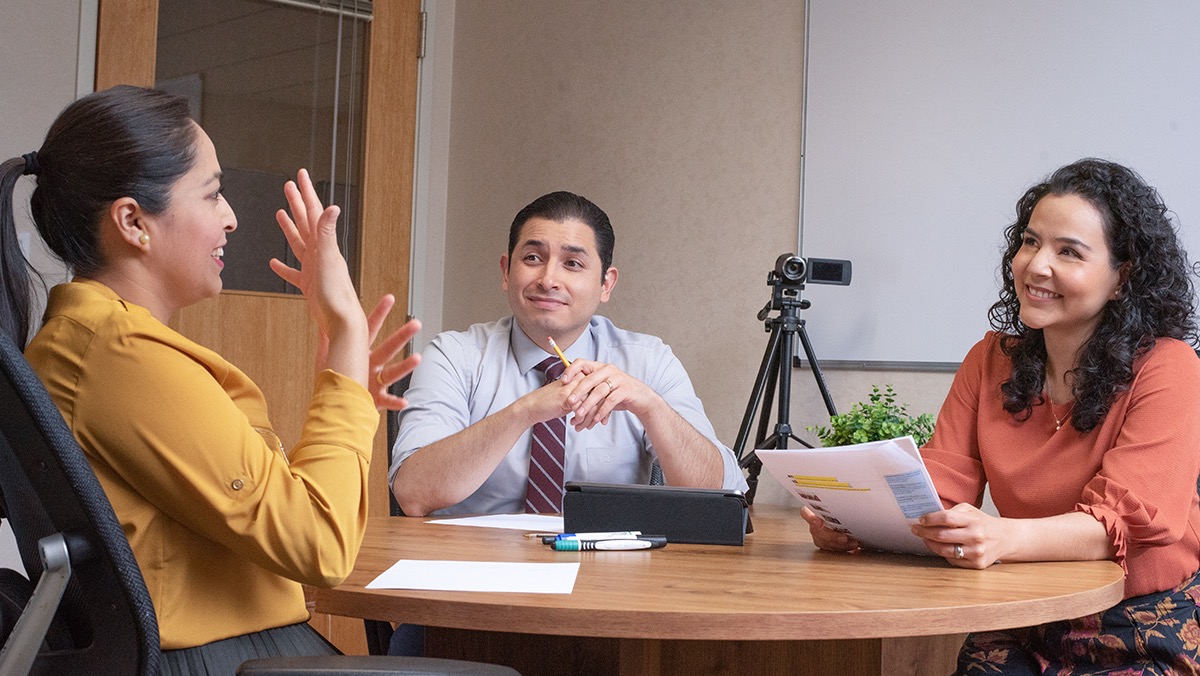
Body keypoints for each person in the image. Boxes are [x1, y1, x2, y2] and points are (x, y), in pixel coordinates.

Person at [0, 85, 421, 672]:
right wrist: (348, 334)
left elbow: (277, 513)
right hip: (224, 662)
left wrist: (342, 388)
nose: (231, 217)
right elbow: (320, 545)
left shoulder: (91, 345)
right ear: (133, 222)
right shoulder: (120, 356)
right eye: (213, 193)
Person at [803, 158, 1200, 673]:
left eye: (1069, 252)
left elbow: (1123, 524)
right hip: (1025, 607)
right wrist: (856, 524)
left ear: (1123, 279)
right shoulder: (990, 359)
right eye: (1030, 241)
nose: (1036, 265)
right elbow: (939, 490)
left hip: (1139, 618)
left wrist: (1003, 535)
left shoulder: (1168, 366)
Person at [389, 190, 746, 517]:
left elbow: (721, 493)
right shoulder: (454, 355)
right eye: (532, 258)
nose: (548, 279)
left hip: (604, 569)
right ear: (505, 271)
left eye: (572, 264)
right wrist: (523, 412)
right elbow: (413, 494)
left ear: (606, 284)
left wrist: (651, 407)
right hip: (470, 569)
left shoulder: (647, 360)